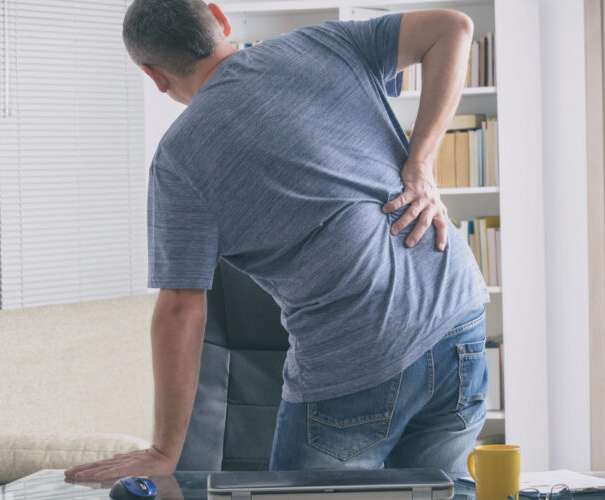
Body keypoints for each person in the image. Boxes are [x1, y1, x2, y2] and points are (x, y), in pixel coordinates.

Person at [66, 0, 489, 480]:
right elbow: (452, 27)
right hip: (458, 311)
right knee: (443, 492)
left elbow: (182, 307)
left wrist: (165, 450)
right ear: (219, 18)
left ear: (155, 76)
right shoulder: (322, 42)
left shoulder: (180, 159)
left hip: (355, 354)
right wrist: (422, 165)